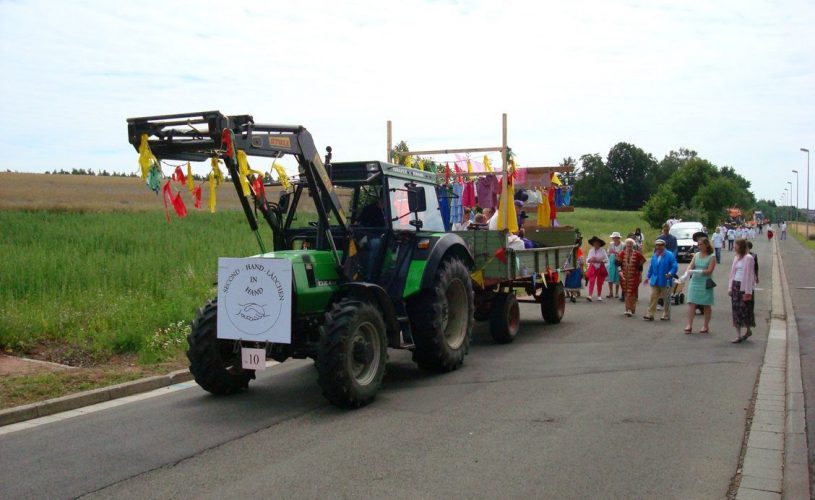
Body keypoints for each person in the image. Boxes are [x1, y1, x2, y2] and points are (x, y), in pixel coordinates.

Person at [683, 237, 716, 334]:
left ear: (706, 245)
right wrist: (686, 273)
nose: (699, 246)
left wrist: (695, 271)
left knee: (706, 304)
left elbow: (709, 270)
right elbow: (691, 265)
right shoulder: (696, 255)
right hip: (695, 281)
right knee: (691, 303)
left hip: (705, 282)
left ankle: (705, 325)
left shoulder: (712, 256)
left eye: (701, 244)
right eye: (698, 244)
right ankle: (689, 325)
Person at [643, 238, 678, 321]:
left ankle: (666, 314)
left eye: (660, 245)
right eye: (657, 245)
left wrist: (670, 273)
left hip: (666, 280)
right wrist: (648, 277)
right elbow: (651, 267)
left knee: (666, 299)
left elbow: (674, 266)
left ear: (664, 246)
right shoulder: (655, 255)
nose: (658, 247)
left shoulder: (669, 255)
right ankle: (650, 314)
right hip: (655, 280)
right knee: (653, 297)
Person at [729, 239, 756, 343]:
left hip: (744, 286)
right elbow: (732, 273)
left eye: (736, 245)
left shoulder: (748, 258)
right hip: (736, 284)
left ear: (741, 247)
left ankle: (748, 330)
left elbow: (750, 275)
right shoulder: (736, 258)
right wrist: (730, 287)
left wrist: (748, 291)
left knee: (745, 310)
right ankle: (738, 335)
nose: (734, 247)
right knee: (736, 310)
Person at [619, 237, 646, 317]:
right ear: (625, 246)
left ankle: (630, 309)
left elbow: (640, 266)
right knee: (626, 293)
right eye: (627, 245)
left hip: (634, 276)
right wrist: (620, 271)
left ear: (633, 246)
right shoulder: (622, 253)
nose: (629, 247)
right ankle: (627, 309)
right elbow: (617, 263)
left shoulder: (637, 254)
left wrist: (640, 275)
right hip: (624, 276)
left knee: (631, 292)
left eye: (630, 245)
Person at [585, 236, 609, 302]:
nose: (595, 244)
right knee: (591, 280)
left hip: (600, 267)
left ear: (599, 244)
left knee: (600, 282)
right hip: (592, 267)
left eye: (597, 243)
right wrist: (591, 259)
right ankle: (590, 295)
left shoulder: (603, 251)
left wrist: (599, 261)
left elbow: (606, 260)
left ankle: (599, 296)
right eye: (594, 243)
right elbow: (587, 260)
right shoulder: (591, 250)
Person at [564, 236, 584, 303]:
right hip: (570, 269)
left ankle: (573, 295)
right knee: (570, 283)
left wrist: (582, 271)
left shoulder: (579, 251)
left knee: (575, 283)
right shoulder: (568, 251)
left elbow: (581, 262)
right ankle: (571, 294)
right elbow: (565, 261)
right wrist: (566, 269)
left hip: (576, 269)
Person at [606, 232, 624, 299]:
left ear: (618, 238)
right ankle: (611, 292)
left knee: (618, 277)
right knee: (610, 277)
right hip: (611, 261)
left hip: (619, 262)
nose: (614, 239)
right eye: (613, 238)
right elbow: (608, 253)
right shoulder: (611, 244)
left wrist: (616, 253)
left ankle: (616, 293)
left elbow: (623, 253)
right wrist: (610, 252)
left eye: (615, 237)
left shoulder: (622, 244)